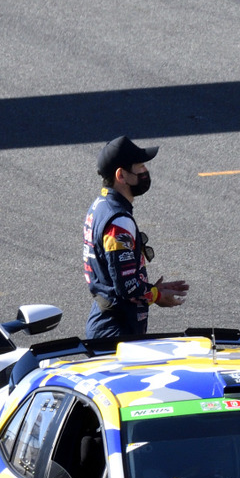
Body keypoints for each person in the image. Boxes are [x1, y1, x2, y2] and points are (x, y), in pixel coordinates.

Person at [82, 136, 188, 341]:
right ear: (121, 175)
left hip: (107, 321)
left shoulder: (100, 206)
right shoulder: (118, 221)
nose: (145, 172)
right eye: (140, 166)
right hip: (117, 331)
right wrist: (157, 295)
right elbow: (126, 287)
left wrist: (153, 290)